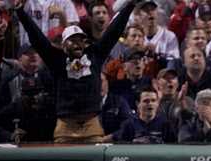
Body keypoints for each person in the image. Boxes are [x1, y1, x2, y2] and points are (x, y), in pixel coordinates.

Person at [14, 0, 136, 143]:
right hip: (65, 128)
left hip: (92, 126)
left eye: (80, 40)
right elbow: (38, 39)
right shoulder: (57, 61)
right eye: (72, 40)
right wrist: (21, 12)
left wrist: (130, 6)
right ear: (64, 46)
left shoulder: (95, 55)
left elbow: (113, 33)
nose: (77, 43)